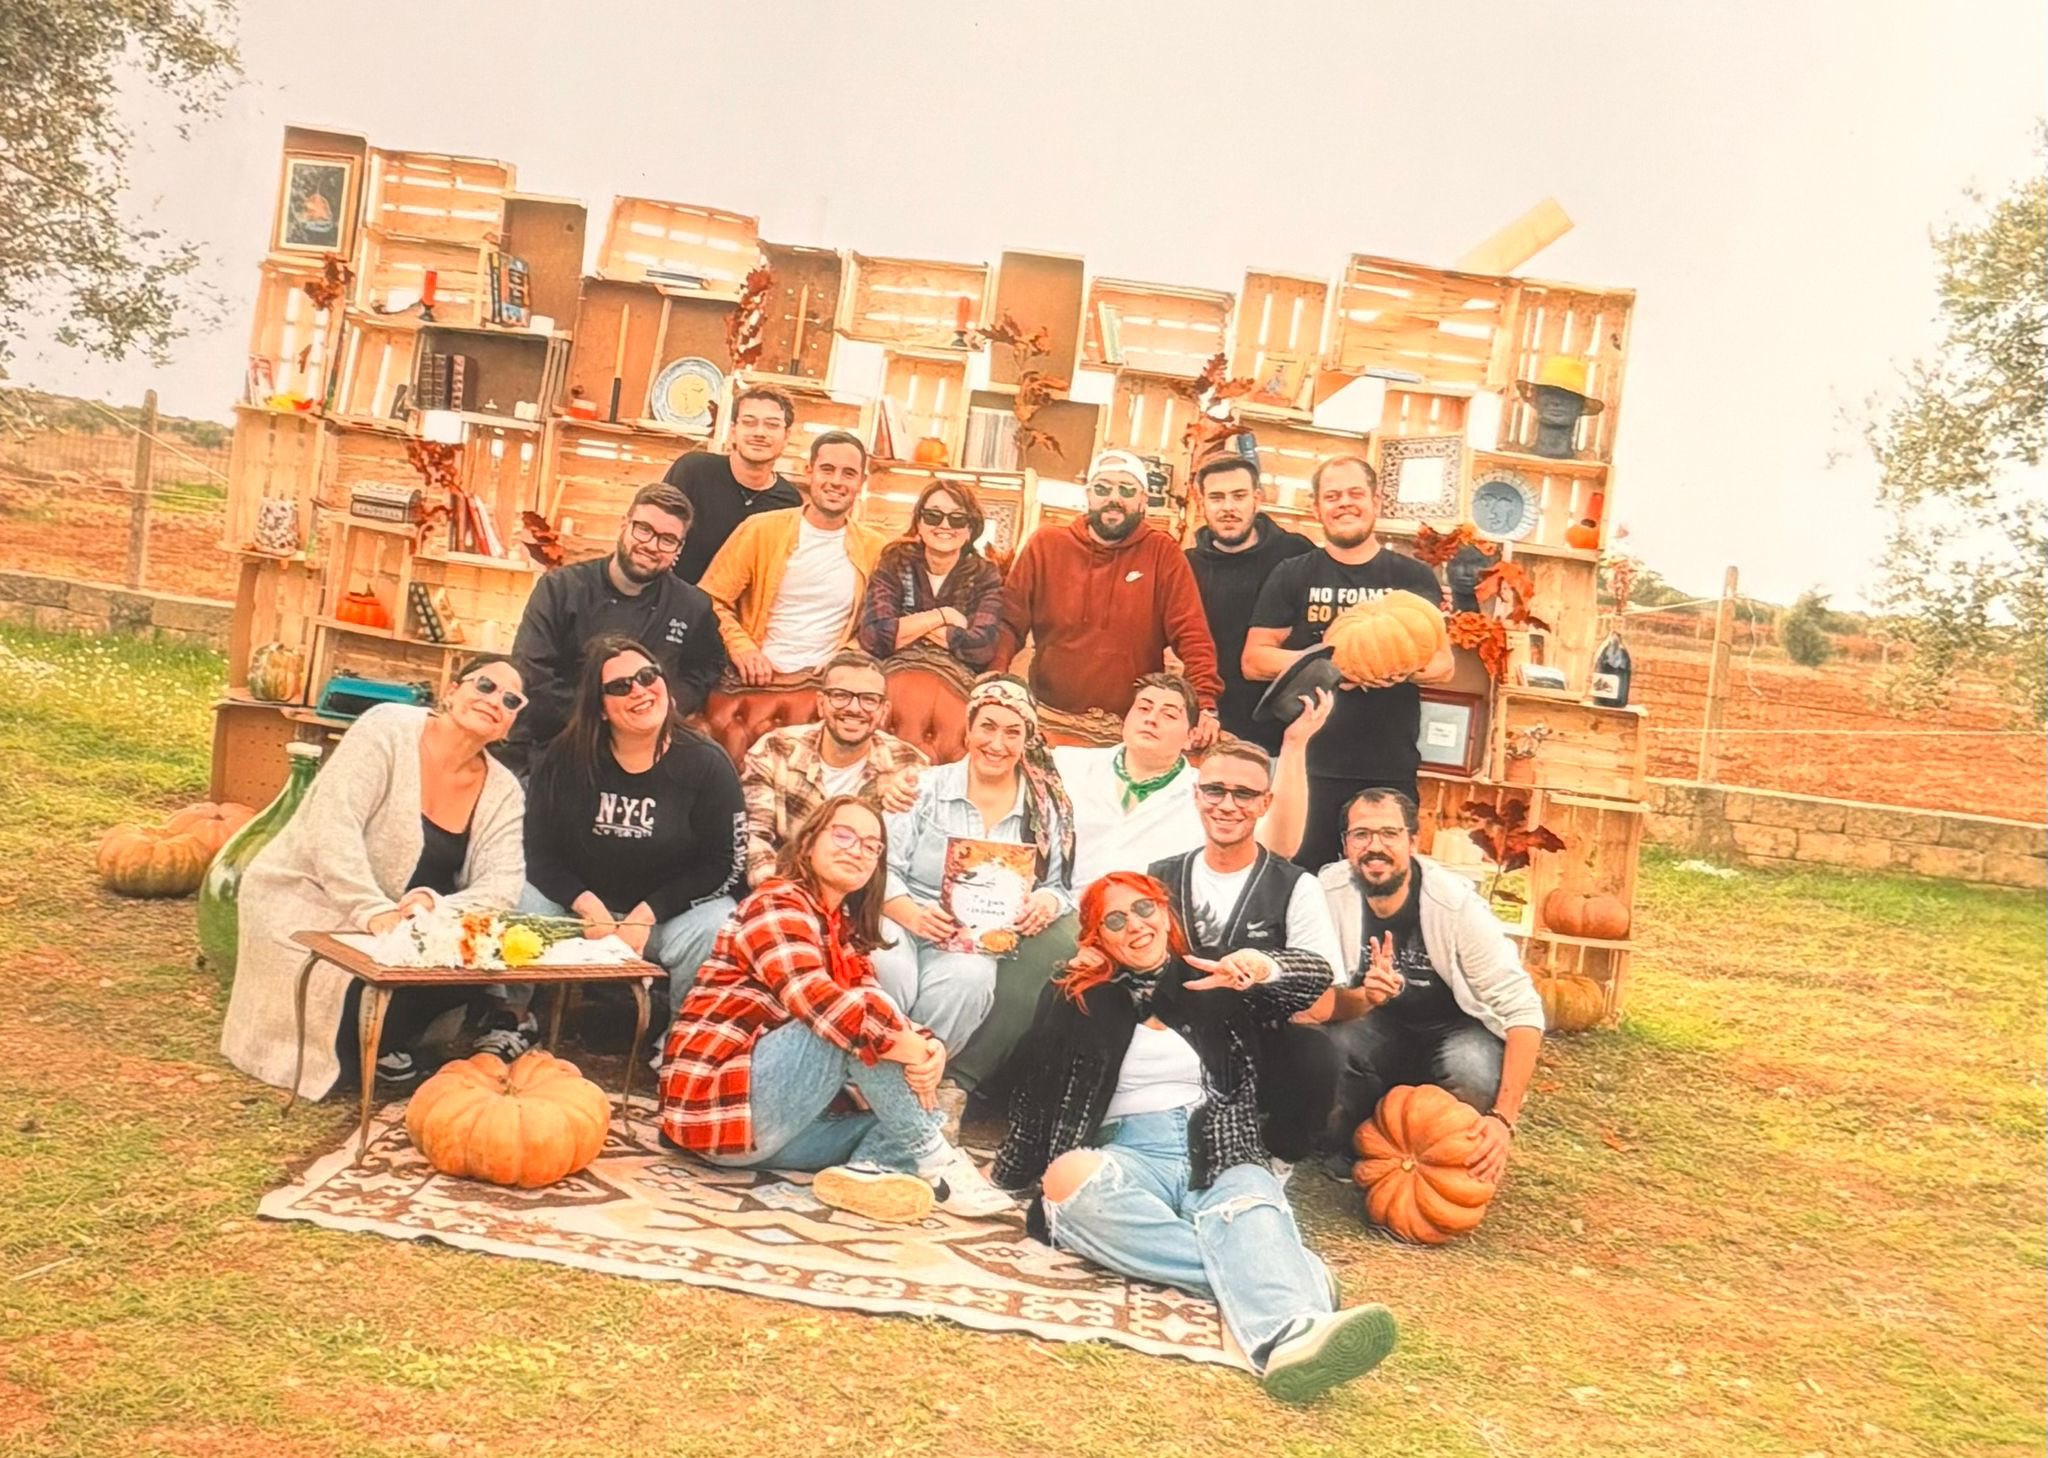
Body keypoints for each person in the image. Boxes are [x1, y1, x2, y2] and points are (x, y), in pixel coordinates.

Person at [992, 872, 1396, 1403]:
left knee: (1246, 1201)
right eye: (1115, 920)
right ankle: (1290, 1276)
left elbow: (1314, 983)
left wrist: (1259, 966)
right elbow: (1037, 1089)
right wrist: (1009, 1175)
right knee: (1066, 1182)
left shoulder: (1216, 976)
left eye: (1144, 909)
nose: (1135, 925)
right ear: (1097, 936)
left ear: (1165, 913)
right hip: (1132, 1151)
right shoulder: (1080, 996)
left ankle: (1289, 1339)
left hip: (1219, 1143)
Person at [657, 796, 1011, 1220]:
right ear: (808, 843)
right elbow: (816, 1002)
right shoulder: (776, 903)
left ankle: (868, 1171)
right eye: (843, 835)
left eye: (871, 846)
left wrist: (928, 1046)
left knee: (903, 1115)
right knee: (852, 1025)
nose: (857, 850)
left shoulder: (839, 926)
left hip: (782, 1131)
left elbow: (877, 1001)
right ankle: (940, 1165)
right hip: (720, 1109)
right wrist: (903, 1045)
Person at [221, 660, 528, 1097]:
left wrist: (434, 906)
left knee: (476, 968)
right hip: (317, 900)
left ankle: (385, 1039)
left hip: (416, 932)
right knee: (342, 1022)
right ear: (452, 690)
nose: (495, 700)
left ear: (512, 722)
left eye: (511, 699)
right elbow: (332, 828)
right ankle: (367, 1041)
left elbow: (502, 885)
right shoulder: (386, 729)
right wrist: (371, 910)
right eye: (485, 685)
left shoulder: (504, 790)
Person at [1313, 788, 1543, 1187]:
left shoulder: (1456, 907)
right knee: (1329, 1051)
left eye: (1390, 834)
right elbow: (1315, 1000)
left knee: (1472, 1070)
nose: (1375, 847)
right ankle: (1358, 1138)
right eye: (1362, 834)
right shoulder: (1327, 894)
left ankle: (1437, 1157)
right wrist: (1364, 997)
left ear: (1414, 841)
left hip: (1455, 1029)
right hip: (1373, 1026)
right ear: (1345, 845)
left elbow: (1523, 1012)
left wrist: (1503, 1119)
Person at [1243, 456, 1454, 870]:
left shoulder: (1412, 577)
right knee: (1297, 879)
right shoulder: (1293, 574)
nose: (1344, 503)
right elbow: (1254, 659)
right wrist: (1328, 664)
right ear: (1316, 507)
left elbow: (1443, 664)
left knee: (1381, 881)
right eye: (1332, 496)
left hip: (1388, 764)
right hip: (1310, 764)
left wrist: (1394, 668)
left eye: (1355, 493)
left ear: (1376, 501)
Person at [520, 636, 746, 1016]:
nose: (639, 690)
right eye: (620, 686)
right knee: (518, 895)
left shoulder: (708, 764)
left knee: (718, 923)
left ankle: (684, 1033)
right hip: (578, 913)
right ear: (600, 708)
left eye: (647, 675)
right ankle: (509, 1017)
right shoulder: (565, 757)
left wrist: (648, 913)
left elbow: (725, 864)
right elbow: (535, 851)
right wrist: (585, 904)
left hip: (664, 921)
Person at [1145, 737, 1344, 1162]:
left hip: (1260, 1037)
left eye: (1245, 794)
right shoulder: (1159, 874)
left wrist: (1261, 972)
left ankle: (1280, 1154)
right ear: (1196, 795)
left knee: (1316, 1056)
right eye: (1215, 790)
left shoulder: (1297, 885)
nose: (1227, 805)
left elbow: (1322, 996)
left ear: (1265, 803)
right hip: (1178, 1034)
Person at [872, 676, 1074, 1056]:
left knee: (971, 978)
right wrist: (913, 916)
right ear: (968, 730)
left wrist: (1047, 902)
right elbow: (879, 867)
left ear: (1027, 740)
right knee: (887, 963)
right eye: (987, 727)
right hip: (902, 914)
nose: (997, 744)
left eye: (1012, 733)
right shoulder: (920, 788)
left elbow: (1059, 887)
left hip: (973, 938)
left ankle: (917, 1071)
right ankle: (873, 1066)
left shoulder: (1046, 811)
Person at [993, 448, 1223, 747]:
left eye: (1126, 490)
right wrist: (994, 679)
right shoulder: (1045, 545)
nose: (1114, 498)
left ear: (1143, 500)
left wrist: (1205, 704)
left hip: (1131, 729)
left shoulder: (1162, 553)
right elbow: (1009, 622)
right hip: (1049, 719)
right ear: (1088, 495)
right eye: (1103, 488)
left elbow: (1191, 633)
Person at [501, 483, 725, 776]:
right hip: (554, 744)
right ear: (624, 525)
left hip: (643, 752)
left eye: (668, 540)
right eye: (643, 529)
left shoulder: (692, 606)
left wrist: (671, 703)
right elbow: (532, 673)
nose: (652, 545)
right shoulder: (560, 588)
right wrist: (605, 719)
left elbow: (709, 665)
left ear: (679, 549)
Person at [699, 430, 888, 687]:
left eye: (849, 473)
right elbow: (710, 598)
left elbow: (880, 624)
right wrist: (742, 647)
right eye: (827, 469)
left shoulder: (875, 548)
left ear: (862, 482)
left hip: (828, 685)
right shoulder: (760, 530)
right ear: (809, 472)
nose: (836, 481)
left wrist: (847, 654)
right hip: (756, 678)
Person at [739, 649, 927, 886]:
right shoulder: (775, 749)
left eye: (869, 699)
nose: (855, 708)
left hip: (863, 896)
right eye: (840, 695)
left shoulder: (910, 765)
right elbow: (753, 838)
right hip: (781, 887)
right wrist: (781, 893)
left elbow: (912, 861)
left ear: (883, 711)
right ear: (821, 703)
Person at [1184, 454, 1317, 752]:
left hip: (1287, 729)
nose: (1228, 507)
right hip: (1210, 727)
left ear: (1257, 499)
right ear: (1201, 502)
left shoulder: (1297, 554)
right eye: (1216, 497)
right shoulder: (1187, 567)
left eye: (1239, 496)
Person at [855, 477, 1005, 686]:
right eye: (933, 516)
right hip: (893, 673)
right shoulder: (895, 562)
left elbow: (981, 647)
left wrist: (907, 628)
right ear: (919, 523)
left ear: (970, 529)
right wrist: (943, 615)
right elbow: (873, 636)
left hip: (955, 680)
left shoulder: (985, 574)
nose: (945, 525)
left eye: (957, 518)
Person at [664, 385, 803, 583]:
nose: (759, 433)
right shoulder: (693, 471)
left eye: (772, 425)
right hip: (674, 597)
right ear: (732, 430)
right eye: (749, 422)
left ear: (786, 436)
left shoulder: (789, 502)